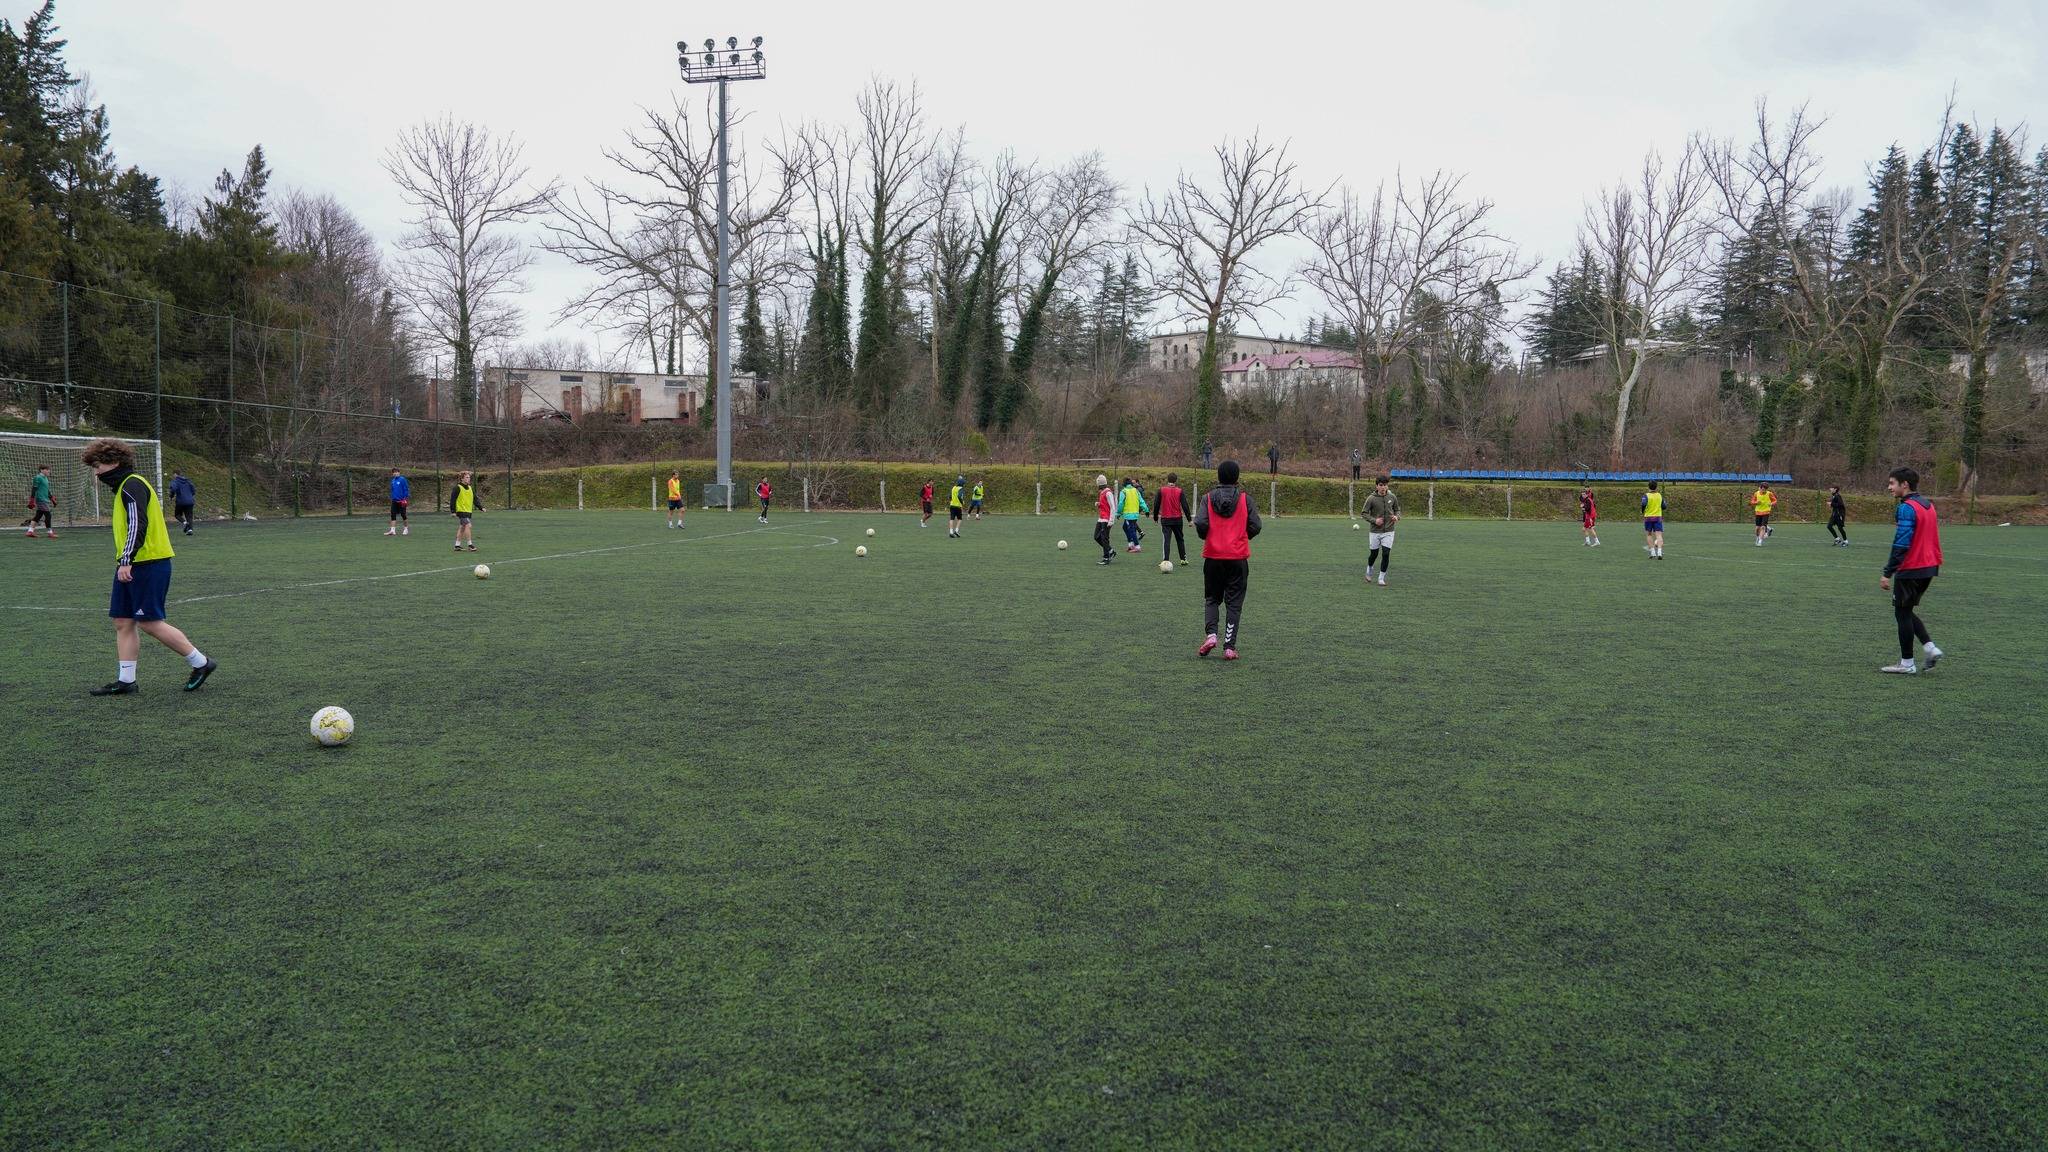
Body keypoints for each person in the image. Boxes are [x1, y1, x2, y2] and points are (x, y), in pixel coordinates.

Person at [79, 438, 215, 695]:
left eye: (98, 466)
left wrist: (126, 560)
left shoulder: (132, 484)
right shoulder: (124, 487)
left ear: (113, 462)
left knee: (150, 622)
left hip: (147, 563)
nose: (96, 473)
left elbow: (137, 524)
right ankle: (126, 681)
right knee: (123, 621)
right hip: (132, 563)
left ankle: (201, 663)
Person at [1880, 467, 1944, 675]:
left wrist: (1888, 572)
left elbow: (1901, 543)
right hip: (1930, 566)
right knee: (1905, 610)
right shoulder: (1928, 505)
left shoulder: (1907, 507)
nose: (1889, 487)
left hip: (1912, 567)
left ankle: (1907, 663)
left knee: (1901, 612)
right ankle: (1930, 648)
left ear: (1904, 484)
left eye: (1892, 483)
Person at [1194, 460, 1261, 661]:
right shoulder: (1245, 500)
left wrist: (1207, 536)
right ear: (1237, 478)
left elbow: (1201, 523)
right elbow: (1256, 525)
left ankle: (1211, 635)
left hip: (1213, 557)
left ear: (1218, 477)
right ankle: (1229, 647)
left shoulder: (1207, 498)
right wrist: (1243, 536)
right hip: (1237, 558)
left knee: (1212, 599)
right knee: (1234, 603)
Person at [1362, 475, 1399, 586]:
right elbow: (1364, 513)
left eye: (1385, 485)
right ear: (1377, 486)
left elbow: (1397, 510)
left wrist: (1396, 517)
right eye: (1381, 485)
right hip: (1375, 532)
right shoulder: (1371, 498)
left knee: (1386, 553)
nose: (1383, 487)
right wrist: (1375, 520)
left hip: (1389, 531)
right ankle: (1369, 568)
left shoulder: (1392, 497)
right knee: (1374, 554)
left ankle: (1381, 578)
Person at [1155, 472, 1189, 566]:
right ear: (1176, 480)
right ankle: (1183, 559)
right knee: (1180, 539)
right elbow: (1185, 506)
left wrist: (1155, 517)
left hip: (1166, 519)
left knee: (1167, 540)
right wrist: (1189, 519)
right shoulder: (1180, 491)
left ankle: (1166, 560)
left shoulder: (1161, 490)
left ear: (1168, 480)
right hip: (1178, 519)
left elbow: (1156, 504)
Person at [450, 469, 480, 551]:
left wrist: (480, 507)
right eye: (466, 477)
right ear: (462, 479)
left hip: (468, 511)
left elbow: (475, 499)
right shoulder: (457, 488)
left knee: (462, 527)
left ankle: (457, 545)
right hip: (461, 511)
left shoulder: (470, 488)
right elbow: (453, 500)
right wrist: (453, 511)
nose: (468, 479)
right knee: (468, 525)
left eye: (469, 477)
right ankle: (470, 545)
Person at [1119, 477, 1150, 553]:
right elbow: (1141, 501)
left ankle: (1137, 546)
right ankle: (1131, 545)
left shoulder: (1123, 491)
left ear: (1124, 484)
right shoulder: (1136, 491)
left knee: (1131, 530)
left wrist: (1118, 513)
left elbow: (1121, 503)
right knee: (1125, 527)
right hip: (1135, 514)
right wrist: (1146, 510)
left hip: (1128, 514)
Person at [25, 464, 56, 538]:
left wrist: (52, 498)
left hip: (45, 499)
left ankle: (30, 531)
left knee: (38, 516)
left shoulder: (45, 478)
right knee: (48, 515)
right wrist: (32, 500)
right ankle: (50, 533)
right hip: (40, 499)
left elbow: (47, 490)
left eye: (49, 469)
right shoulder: (37, 477)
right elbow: (34, 489)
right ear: (41, 470)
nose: (49, 471)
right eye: (47, 469)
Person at [1093, 474, 1117, 565]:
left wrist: (1111, 520)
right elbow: (1105, 505)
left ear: (1100, 484)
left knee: (1104, 538)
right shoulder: (1102, 492)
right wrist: (1099, 504)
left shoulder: (1108, 493)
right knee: (1096, 537)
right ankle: (1111, 551)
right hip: (1101, 518)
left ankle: (1106, 558)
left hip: (1107, 519)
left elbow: (1112, 507)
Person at [168, 470, 197, 536]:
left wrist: (171, 496)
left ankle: (185, 523)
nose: (173, 476)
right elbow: (193, 489)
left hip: (181, 501)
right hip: (190, 501)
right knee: (189, 516)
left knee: (177, 515)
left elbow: (173, 489)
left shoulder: (175, 481)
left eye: (173, 474)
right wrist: (190, 496)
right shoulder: (187, 480)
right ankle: (190, 530)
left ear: (175, 474)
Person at [1641, 481, 1665, 559]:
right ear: (1656, 487)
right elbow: (1664, 506)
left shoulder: (1646, 495)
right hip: (1658, 517)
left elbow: (1643, 504)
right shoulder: (1659, 495)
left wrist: (1643, 511)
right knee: (1659, 535)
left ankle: (1653, 552)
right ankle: (1660, 552)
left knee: (1649, 534)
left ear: (1648, 487)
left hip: (1648, 517)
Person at [385, 469, 410, 536]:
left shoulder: (402, 479)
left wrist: (405, 498)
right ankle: (392, 531)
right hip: (394, 501)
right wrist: (392, 497)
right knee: (393, 515)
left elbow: (406, 489)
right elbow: (392, 490)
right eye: (394, 472)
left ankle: (406, 529)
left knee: (403, 514)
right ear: (392, 474)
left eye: (396, 472)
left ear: (399, 472)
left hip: (402, 501)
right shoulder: (393, 481)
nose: (395, 473)